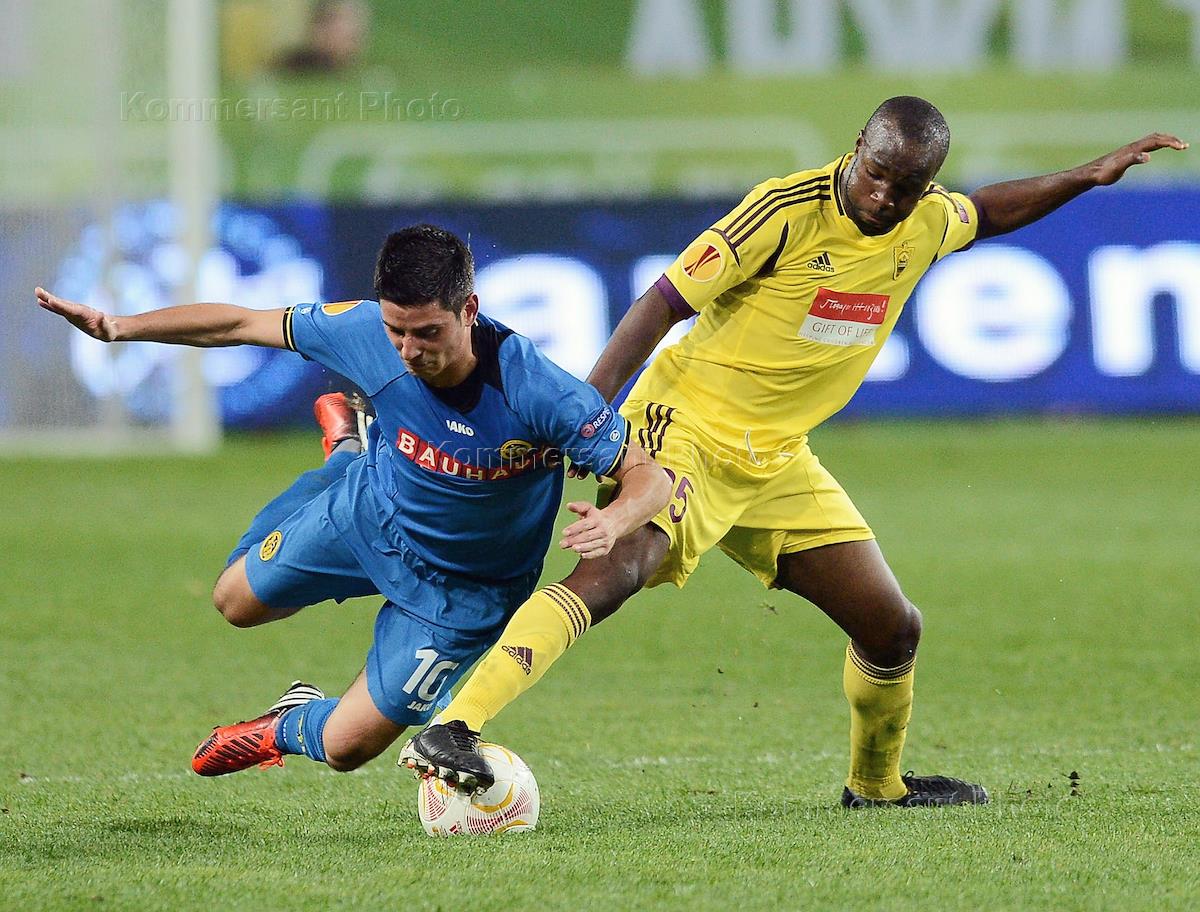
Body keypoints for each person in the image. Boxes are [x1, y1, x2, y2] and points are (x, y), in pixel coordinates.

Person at [403, 97, 1188, 806]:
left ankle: (876, 787)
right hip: (687, 429)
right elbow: (662, 303)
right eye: (877, 174)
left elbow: (986, 211)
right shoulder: (783, 210)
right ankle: (455, 725)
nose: (884, 198)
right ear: (858, 146)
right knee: (620, 570)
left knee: (891, 627)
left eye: (906, 187)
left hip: (776, 459)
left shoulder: (924, 221)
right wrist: (590, 414)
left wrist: (1087, 175)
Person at [35, 224, 670, 779]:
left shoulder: (539, 390)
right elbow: (240, 323)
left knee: (346, 749)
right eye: (397, 331)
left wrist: (614, 518)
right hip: (370, 515)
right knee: (234, 603)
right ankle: (345, 456)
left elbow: (650, 478)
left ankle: (287, 722)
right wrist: (119, 328)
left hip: (465, 594)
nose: (410, 351)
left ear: (469, 309)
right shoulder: (363, 329)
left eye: (428, 333)